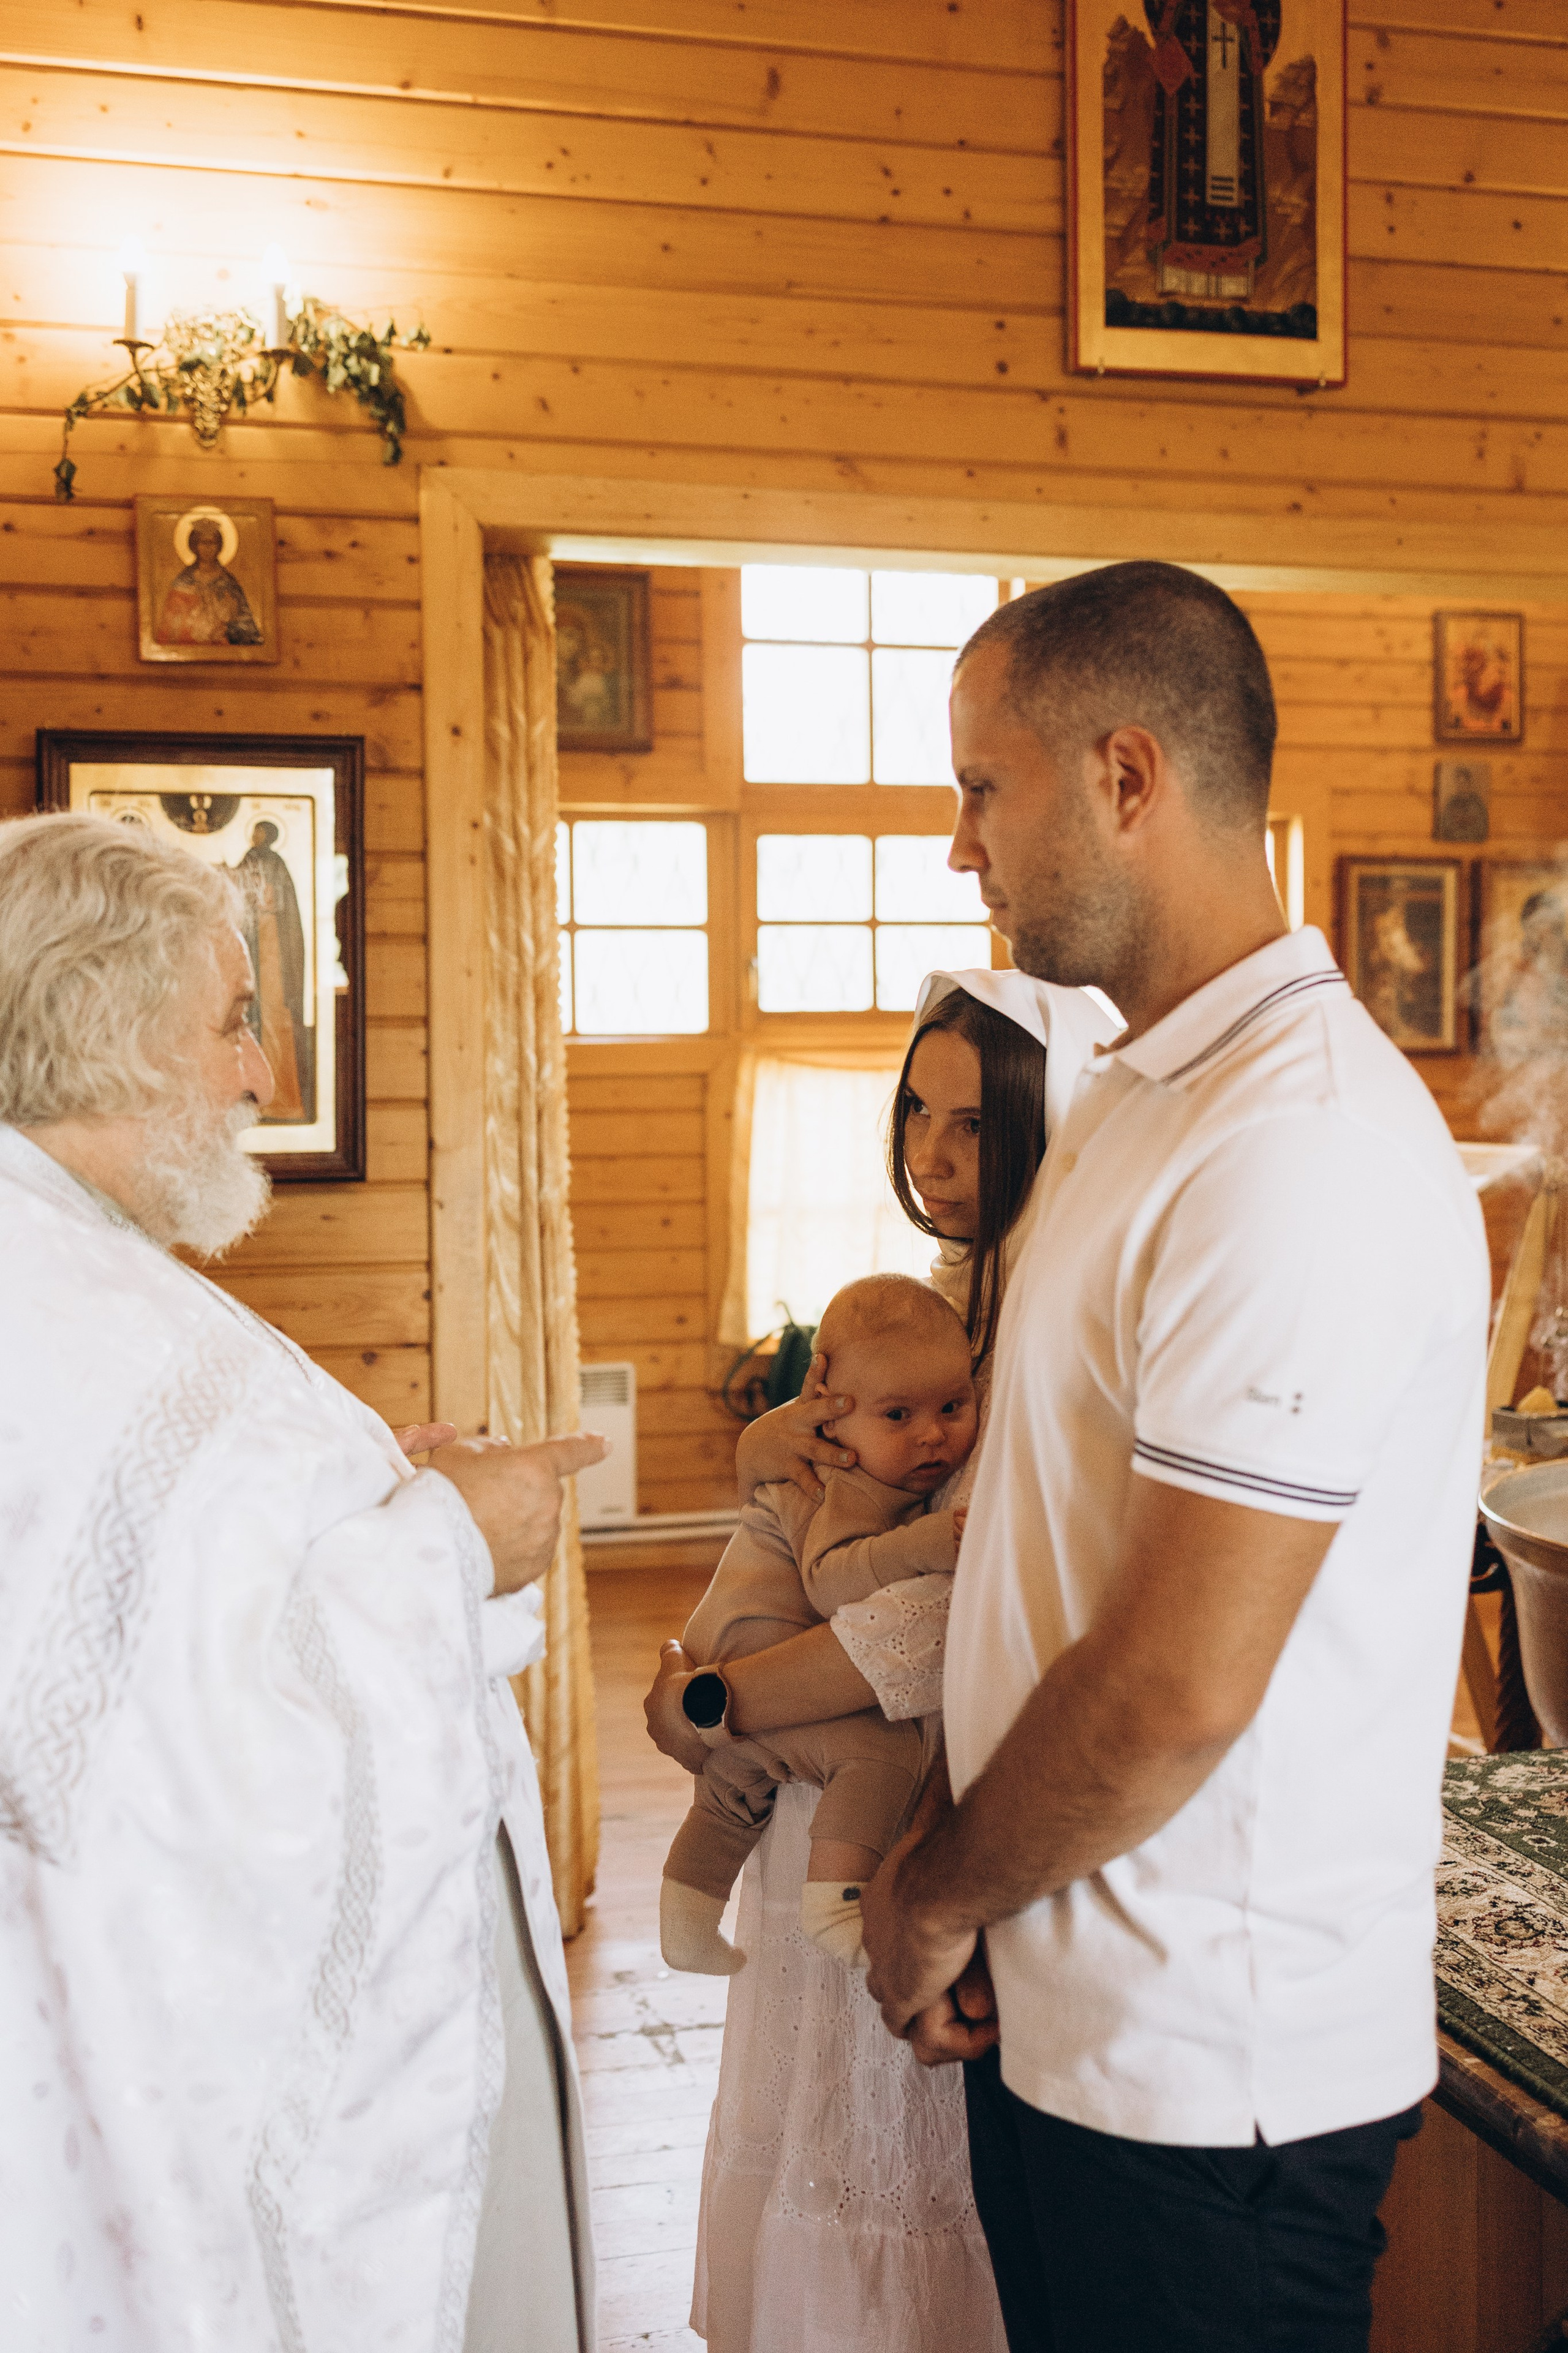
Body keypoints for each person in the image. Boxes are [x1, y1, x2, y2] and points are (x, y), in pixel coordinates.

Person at [861, 561, 1491, 2353]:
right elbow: (1040, 1554)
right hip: (1064, 2004)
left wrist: (931, 1893)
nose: (957, 844)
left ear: (1124, 776)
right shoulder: (1140, 1098)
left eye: (982, 786)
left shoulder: (1295, 1143)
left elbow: (1174, 1682)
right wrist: (951, 1852)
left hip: (1215, 2072)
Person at [0, 811, 604, 2353]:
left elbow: (136, 1612)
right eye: (234, 1020)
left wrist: (358, 1497)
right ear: (117, 1034)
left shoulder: (61, 1269)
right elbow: (160, 1765)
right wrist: (456, 1537)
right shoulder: (83, 1322)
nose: (263, 1073)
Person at [644, 969, 1115, 2353]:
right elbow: (805, 1474)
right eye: (914, 1111)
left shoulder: (1050, 1315)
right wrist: (766, 1456)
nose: (928, 1151)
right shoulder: (947, 1291)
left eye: (968, 1125)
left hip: (923, 1777)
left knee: (902, 2155)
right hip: (825, 1755)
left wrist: (719, 1702)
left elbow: (936, 1620)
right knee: (807, 2111)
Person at [662, 1274, 976, 1977]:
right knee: (879, 1755)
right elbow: (829, 1580)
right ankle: (836, 1905)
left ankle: (684, 1924)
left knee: (731, 1789)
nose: (932, 1433)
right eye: (898, 1415)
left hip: (733, 1642)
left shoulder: (863, 1463)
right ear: (830, 1419)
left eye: (953, 1406)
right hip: (756, 1644)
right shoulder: (847, 1479)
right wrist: (920, 1545)